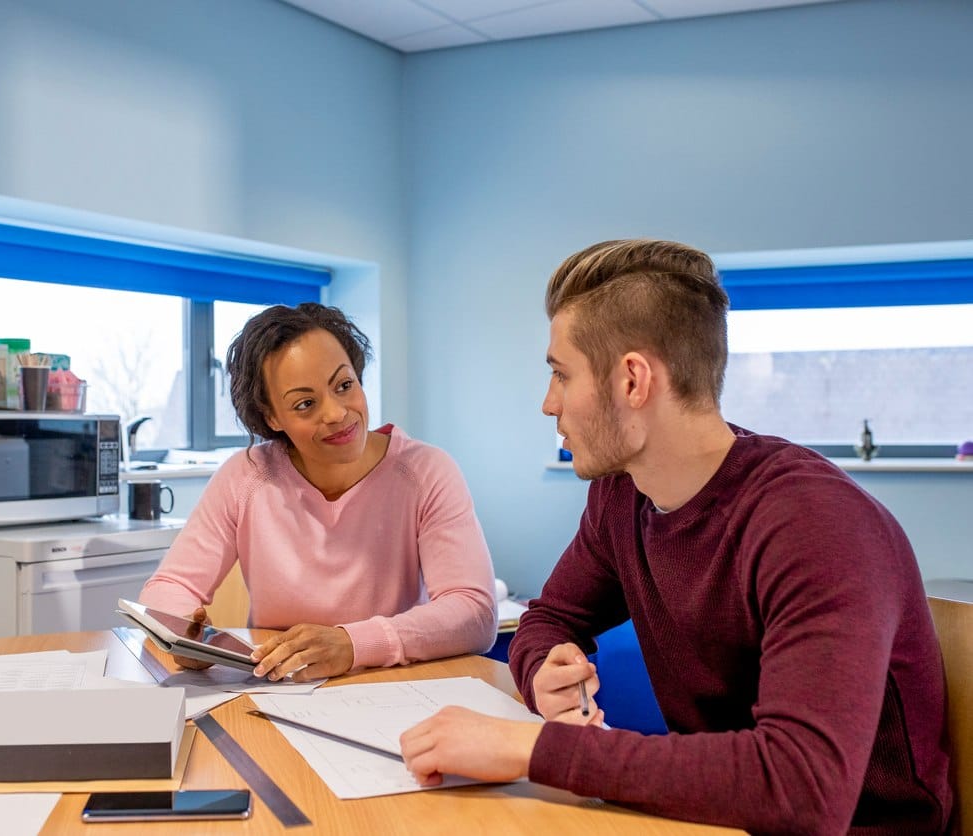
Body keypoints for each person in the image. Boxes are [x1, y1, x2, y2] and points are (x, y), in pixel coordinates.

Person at [398, 239, 953, 834]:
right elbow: (549, 617)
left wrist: (526, 750)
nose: (547, 403)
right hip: (722, 819)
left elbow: (804, 790)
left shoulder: (816, 524)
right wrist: (543, 672)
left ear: (633, 380)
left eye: (561, 374)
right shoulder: (623, 493)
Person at [139, 302, 497, 682]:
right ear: (272, 417)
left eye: (344, 385)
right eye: (305, 404)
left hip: (392, 683)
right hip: (281, 687)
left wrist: (352, 644)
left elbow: (474, 612)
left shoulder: (427, 471)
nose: (336, 413)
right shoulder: (245, 476)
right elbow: (168, 588)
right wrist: (185, 638)